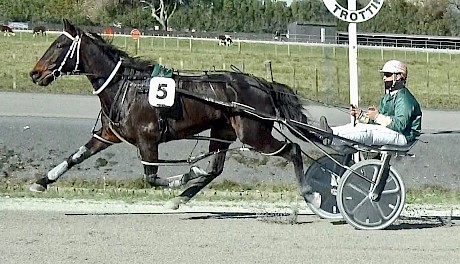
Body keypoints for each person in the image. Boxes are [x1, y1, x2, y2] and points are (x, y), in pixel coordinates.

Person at [320, 60, 422, 147]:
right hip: (394, 133)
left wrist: (377, 116)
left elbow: (400, 125)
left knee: (366, 132)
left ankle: (331, 135)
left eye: (387, 75)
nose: (384, 78)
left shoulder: (404, 99)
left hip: (404, 136)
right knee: (358, 126)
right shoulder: (387, 97)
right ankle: (328, 134)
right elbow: (379, 123)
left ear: (399, 77)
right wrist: (361, 116)